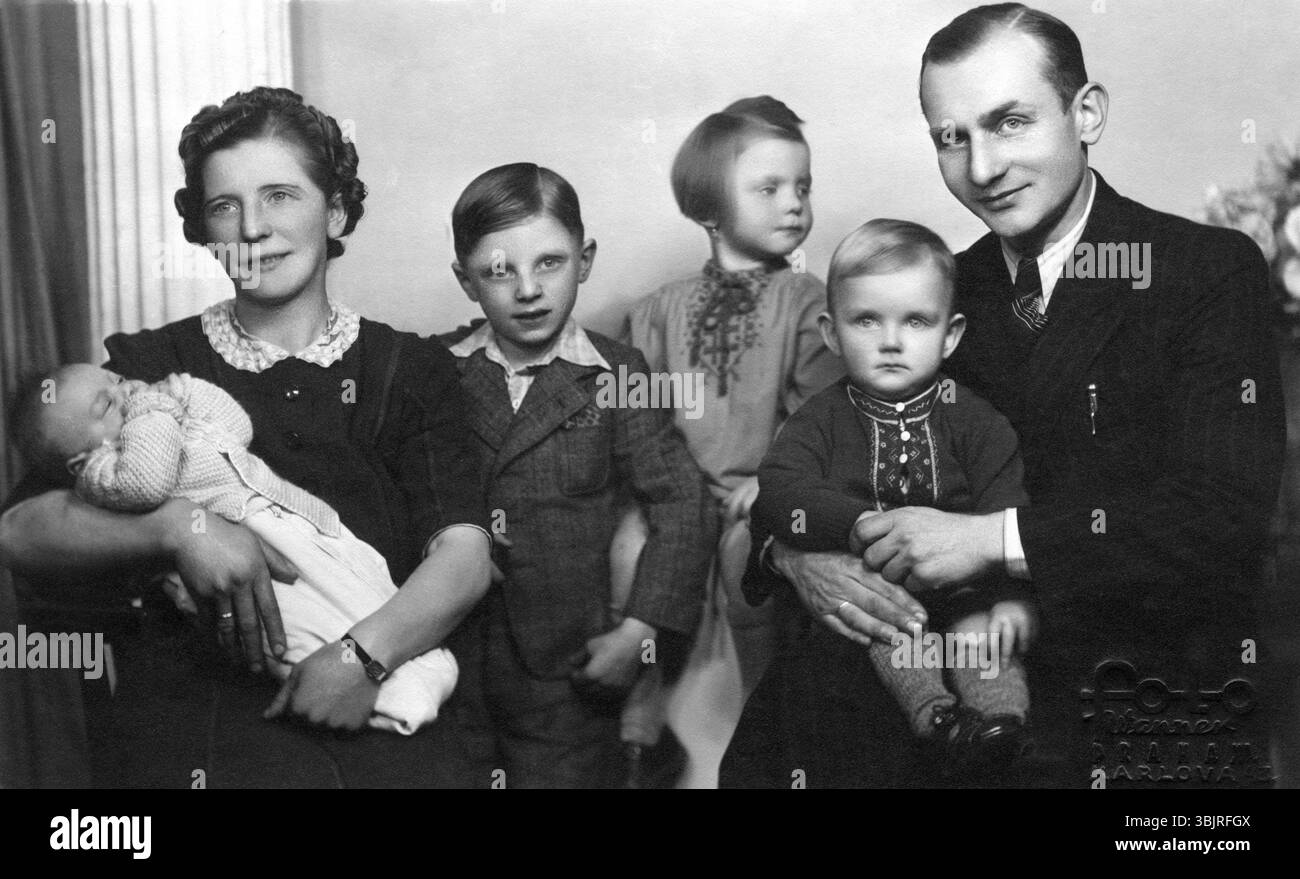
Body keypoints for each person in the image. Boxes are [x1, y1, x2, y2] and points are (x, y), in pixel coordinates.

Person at [724, 3, 1285, 788]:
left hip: (1132, 688)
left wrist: (988, 540)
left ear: (1086, 113)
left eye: (1010, 122)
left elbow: (1219, 518)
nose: (981, 167)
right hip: (941, 679)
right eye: (952, 137)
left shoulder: (1204, 269)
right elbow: (820, 448)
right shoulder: (938, 293)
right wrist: (795, 552)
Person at [0, 87, 492, 787]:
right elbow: (19, 529)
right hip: (199, 734)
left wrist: (359, 657)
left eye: (281, 195)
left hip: (376, 709)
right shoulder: (147, 370)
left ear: (338, 208)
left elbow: (465, 554)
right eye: (224, 205)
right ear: (202, 228)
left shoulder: (408, 371)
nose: (252, 228)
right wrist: (180, 527)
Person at [444, 162, 716, 788]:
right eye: (497, 271)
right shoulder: (436, 371)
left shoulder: (618, 374)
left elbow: (684, 504)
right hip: (448, 661)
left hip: (569, 675)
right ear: (466, 280)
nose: (528, 289)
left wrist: (639, 632)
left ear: (585, 259)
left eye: (550, 262)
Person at [15, 365, 460, 735]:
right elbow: (148, 482)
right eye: (107, 403)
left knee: (363, 585)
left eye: (114, 378)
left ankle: (418, 663)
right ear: (80, 460)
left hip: (286, 520)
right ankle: (395, 702)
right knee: (297, 629)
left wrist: (183, 392)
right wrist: (155, 418)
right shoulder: (104, 471)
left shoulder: (163, 415)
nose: (124, 390)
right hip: (239, 566)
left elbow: (236, 426)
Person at [746, 218, 1035, 776]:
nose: (892, 341)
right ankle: (939, 720)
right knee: (889, 634)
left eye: (916, 321)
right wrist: (854, 524)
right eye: (867, 320)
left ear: (950, 335)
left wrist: (1015, 600)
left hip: (967, 589)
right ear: (831, 333)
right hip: (878, 595)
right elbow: (781, 490)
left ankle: (1001, 726)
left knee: (984, 637)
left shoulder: (976, 419)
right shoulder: (821, 420)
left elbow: (1009, 510)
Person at [620, 96, 842, 787]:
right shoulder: (660, 308)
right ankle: (639, 714)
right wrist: (661, 490)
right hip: (676, 490)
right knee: (629, 549)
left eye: (802, 187)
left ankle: (761, 708)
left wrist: (774, 477)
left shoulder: (806, 302)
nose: (794, 203)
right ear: (711, 211)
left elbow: (820, 410)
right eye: (769, 188)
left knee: (752, 569)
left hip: (757, 491)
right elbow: (639, 413)